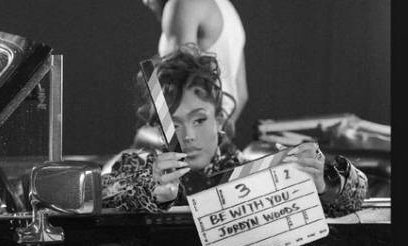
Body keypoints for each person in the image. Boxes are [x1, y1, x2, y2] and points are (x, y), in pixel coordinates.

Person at [102, 46, 368, 215]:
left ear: (219, 119)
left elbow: (357, 196)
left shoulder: (248, 170)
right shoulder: (139, 165)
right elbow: (105, 192)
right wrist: (152, 190)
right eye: (176, 124)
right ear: (161, 130)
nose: (189, 136)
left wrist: (324, 185)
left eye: (199, 120)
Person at [131, 0, 248, 124]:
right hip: (213, 129)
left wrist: (165, 136)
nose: (145, 0)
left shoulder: (182, 2)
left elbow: (175, 84)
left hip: (189, 131)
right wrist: (218, 133)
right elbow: (241, 94)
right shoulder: (222, 3)